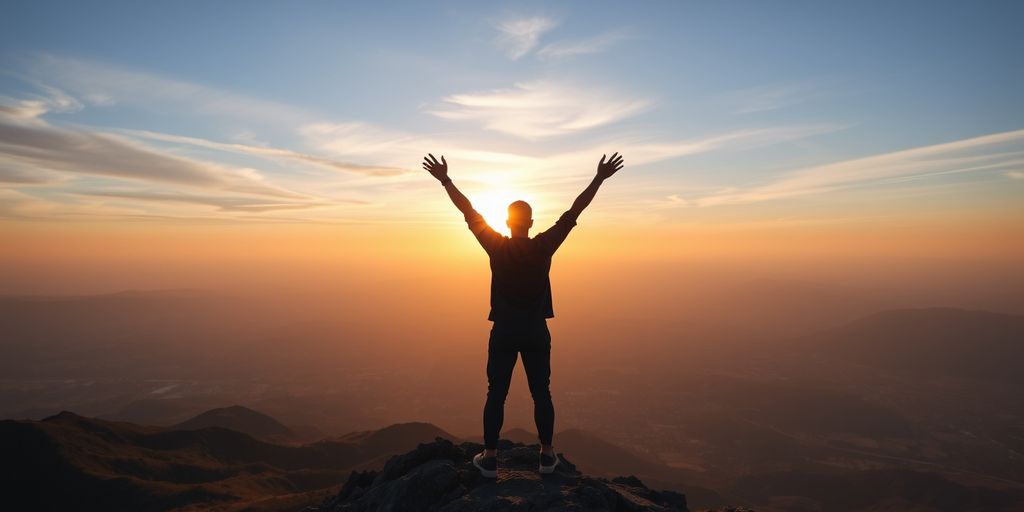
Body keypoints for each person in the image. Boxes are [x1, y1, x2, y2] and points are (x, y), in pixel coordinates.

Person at [422, 152, 625, 478]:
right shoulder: (544, 246)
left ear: (507, 223)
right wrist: (599, 178)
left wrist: (445, 180)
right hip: (535, 330)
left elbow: (468, 211)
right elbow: (574, 212)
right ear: (530, 223)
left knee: (496, 393)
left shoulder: (496, 246)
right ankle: (546, 455)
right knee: (541, 392)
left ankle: (489, 458)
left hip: (503, 330)